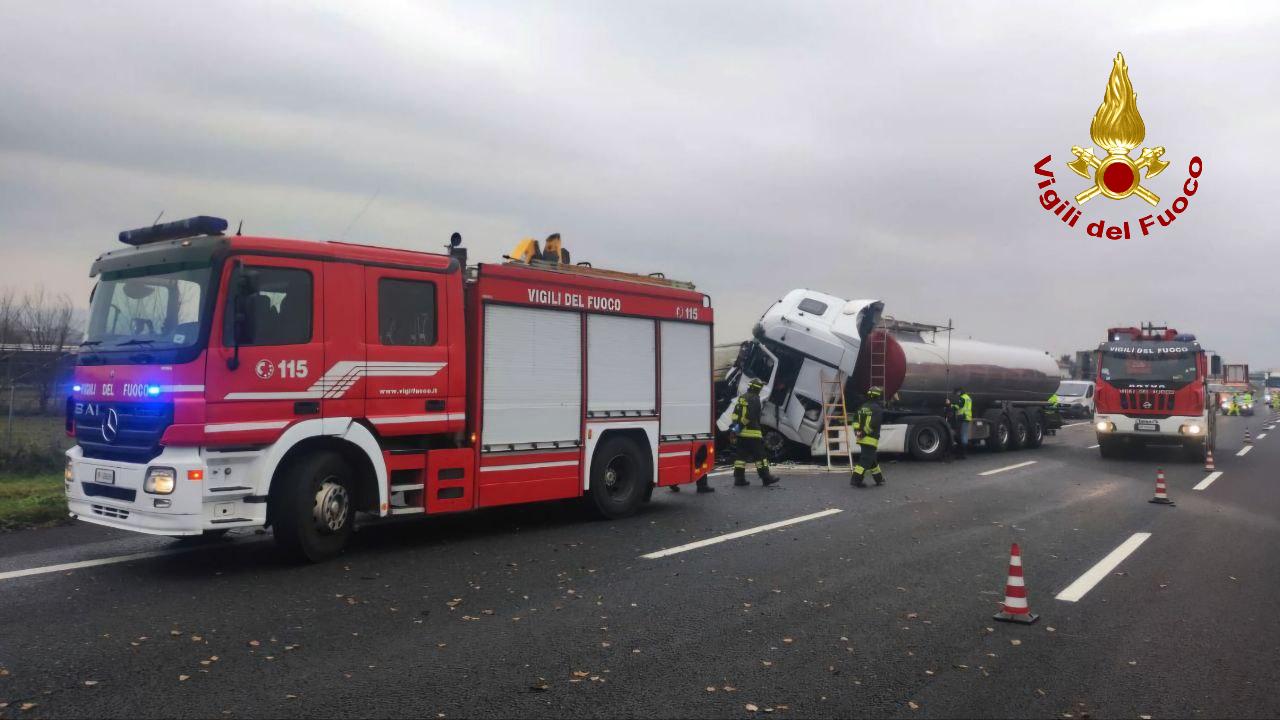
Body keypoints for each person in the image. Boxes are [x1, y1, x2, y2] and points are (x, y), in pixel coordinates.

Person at [730, 379, 780, 487]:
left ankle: (739, 479)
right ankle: (766, 478)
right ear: (756, 388)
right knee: (761, 456)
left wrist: (736, 428)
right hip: (752, 433)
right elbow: (750, 415)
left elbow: (735, 414)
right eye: (759, 388)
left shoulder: (742, 398)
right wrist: (742, 425)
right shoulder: (755, 398)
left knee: (740, 457)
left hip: (741, 434)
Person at [850, 386, 886, 487]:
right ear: (878, 397)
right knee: (865, 461)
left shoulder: (862, 407)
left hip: (861, 438)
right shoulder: (878, 409)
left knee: (872, 459)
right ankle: (856, 480)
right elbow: (873, 424)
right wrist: (864, 432)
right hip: (870, 439)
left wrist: (857, 431)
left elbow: (855, 421)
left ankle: (879, 479)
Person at [950, 387, 973, 459]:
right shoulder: (968, 398)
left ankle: (962, 454)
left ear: (959, 392)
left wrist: (949, 405)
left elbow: (958, 407)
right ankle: (963, 453)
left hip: (962, 417)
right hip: (967, 417)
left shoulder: (962, 398)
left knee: (961, 435)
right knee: (964, 435)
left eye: (957, 392)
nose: (956, 394)